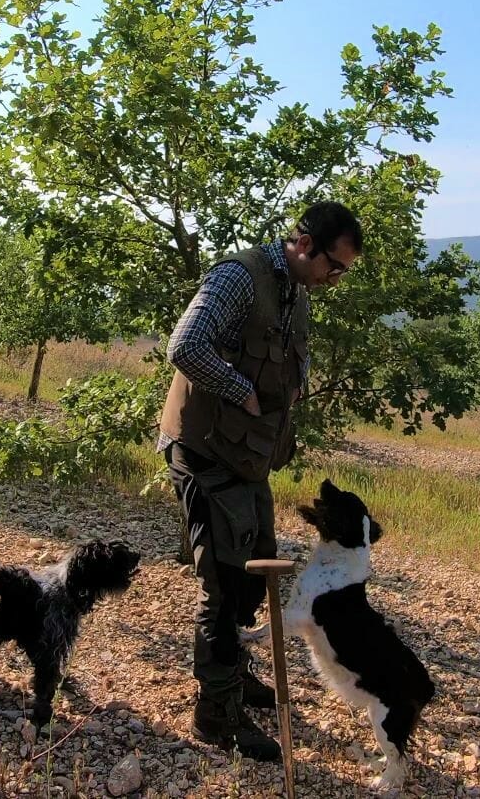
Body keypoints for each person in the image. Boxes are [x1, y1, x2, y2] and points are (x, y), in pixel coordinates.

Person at [158, 200, 363, 760]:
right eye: (334, 267)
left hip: (243, 456)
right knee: (224, 587)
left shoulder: (298, 292)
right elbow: (185, 345)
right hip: (202, 449)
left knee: (255, 574)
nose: (335, 279)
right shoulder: (238, 277)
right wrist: (239, 389)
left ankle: (235, 675)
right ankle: (217, 717)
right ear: (303, 244)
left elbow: (290, 359)